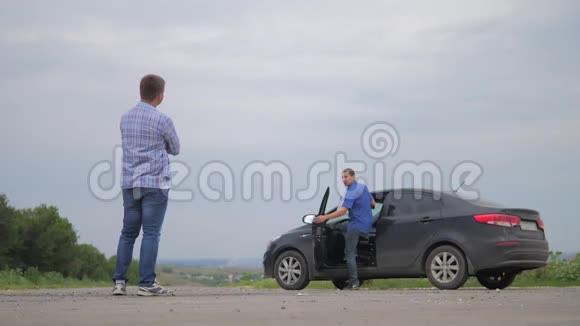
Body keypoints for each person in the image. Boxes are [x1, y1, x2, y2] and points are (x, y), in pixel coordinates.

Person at [112, 74, 180, 296]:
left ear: (141, 91)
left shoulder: (125, 118)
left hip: (130, 183)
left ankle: (119, 283)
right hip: (155, 183)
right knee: (151, 233)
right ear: (160, 95)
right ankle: (147, 283)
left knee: (128, 232)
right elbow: (175, 148)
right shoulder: (163, 120)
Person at [313, 168, 375, 290]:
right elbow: (373, 204)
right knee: (339, 227)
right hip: (367, 224)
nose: (344, 180)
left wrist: (324, 217)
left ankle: (354, 282)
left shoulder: (351, 192)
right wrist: (362, 207)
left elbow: (342, 211)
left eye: (346, 177)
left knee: (349, 253)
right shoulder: (363, 188)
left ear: (353, 176)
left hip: (356, 225)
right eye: (342, 177)